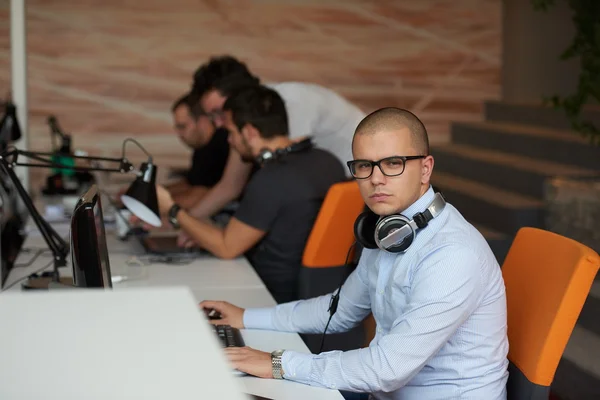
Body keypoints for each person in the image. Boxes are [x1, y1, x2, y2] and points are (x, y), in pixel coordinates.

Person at [199, 108, 510, 399]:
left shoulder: (452, 254)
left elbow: (387, 368)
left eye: (392, 163)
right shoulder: (390, 232)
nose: (376, 178)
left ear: (425, 168)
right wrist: (244, 317)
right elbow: (337, 311)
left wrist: (278, 364)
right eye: (364, 165)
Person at [156, 85, 346, 304]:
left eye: (230, 132)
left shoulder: (272, 179)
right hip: (319, 291)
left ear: (249, 132)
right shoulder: (327, 161)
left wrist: (171, 209)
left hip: (270, 295)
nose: (229, 141)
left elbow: (227, 247)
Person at [183, 55, 364, 226]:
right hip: (332, 184)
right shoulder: (244, 124)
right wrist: (185, 223)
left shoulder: (287, 104)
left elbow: (280, 183)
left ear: (241, 95)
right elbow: (230, 186)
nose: (218, 123)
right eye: (211, 116)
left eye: (219, 112)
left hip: (360, 179)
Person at [165, 93, 230, 210]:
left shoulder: (218, 147)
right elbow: (192, 183)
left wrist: (150, 202)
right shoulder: (203, 148)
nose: (179, 134)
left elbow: (199, 196)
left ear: (202, 121)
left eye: (182, 127)